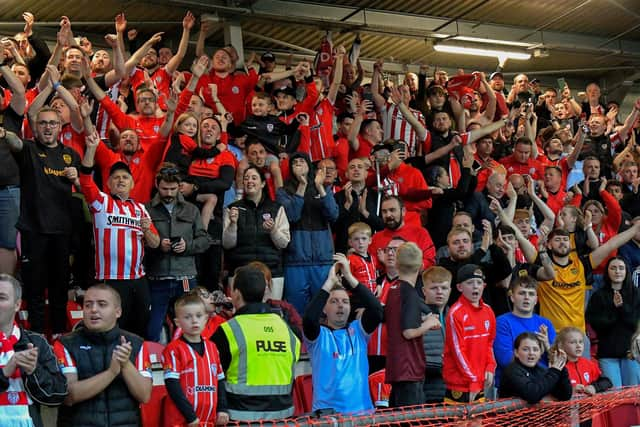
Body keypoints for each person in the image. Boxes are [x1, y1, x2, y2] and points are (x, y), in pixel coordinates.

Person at [2, 108, 80, 334]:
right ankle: (35, 336)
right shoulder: (28, 149)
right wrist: (4, 133)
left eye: (52, 123)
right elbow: (16, 143)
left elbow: (86, 185)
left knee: (59, 289)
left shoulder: (70, 155)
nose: (47, 127)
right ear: (36, 128)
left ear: (60, 127)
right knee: (34, 290)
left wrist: (77, 177)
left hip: (62, 231)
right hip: (33, 230)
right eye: (43, 123)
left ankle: (58, 335)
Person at [79, 131, 160, 337]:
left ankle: (135, 366)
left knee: (140, 326)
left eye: (125, 177)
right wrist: (90, 149)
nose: (121, 180)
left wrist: (146, 230)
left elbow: (155, 243)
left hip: (138, 279)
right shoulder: (102, 203)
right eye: (115, 177)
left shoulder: (141, 209)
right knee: (112, 330)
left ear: (132, 184)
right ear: (108, 183)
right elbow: (86, 181)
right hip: (111, 279)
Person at [54, 284, 153, 426]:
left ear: (118, 312)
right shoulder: (65, 344)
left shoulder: (136, 343)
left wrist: (125, 364)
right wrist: (111, 372)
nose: (93, 310)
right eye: (88, 305)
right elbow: (69, 395)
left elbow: (144, 395)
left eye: (102, 304)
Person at [211, 265, 300, 421]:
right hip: (282, 417)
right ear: (264, 292)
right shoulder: (286, 328)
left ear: (236, 294)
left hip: (239, 416)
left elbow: (210, 373)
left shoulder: (228, 330)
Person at [303, 253, 383, 415]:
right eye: (334, 301)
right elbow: (309, 319)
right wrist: (329, 283)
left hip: (362, 414)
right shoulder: (319, 337)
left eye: (345, 301)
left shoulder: (358, 331)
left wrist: (349, 276)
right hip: (328, 416)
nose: (341, 305)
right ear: (324, 309)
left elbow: (376, 310)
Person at [145, 164, 213, 342]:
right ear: (156, 185)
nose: (168, 193)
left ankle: (190, 359)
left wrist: (187, 246)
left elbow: (205, 240)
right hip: (156, 275)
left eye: (173, 189)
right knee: (153, 326)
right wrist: (158, 245)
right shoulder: (146, 209)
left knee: (190, 324)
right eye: (164, 189)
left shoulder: (191, 210)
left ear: (180, 186)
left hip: (185, 276)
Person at [538, 222, 640, 333]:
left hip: (578, 337)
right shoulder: (542, 266)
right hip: (551, 335)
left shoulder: (582, 265)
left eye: (565, 239)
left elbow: (610, 245)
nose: (562, 242)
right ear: (549, 244)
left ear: (571, 244)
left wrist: (635, 229)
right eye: (557, 240)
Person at [0, 274, 68, 427]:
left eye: (1, 297)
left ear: (17, 305)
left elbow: (58, 395)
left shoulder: (36, 342)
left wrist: (34, 371)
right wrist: (4, 373)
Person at [276, 153, 338, 314]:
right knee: (296, 313)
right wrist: (302, 187)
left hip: (322, 260)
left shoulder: (322, 186)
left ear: (309, 166)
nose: (298, 165)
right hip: (295, 260)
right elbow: (292, 216)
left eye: (302, 161)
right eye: (294, 162)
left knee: (323, 311)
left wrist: (320, 187)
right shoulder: (284, 191)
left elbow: (333, 215)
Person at [385, 242, 441, 407]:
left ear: (396, 264)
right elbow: (408, 332)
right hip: (409, 369)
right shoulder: (409, 292)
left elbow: (398, 321)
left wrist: (422, 321)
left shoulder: (393, 288)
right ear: (421, 265)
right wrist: (428, 323)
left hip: (397, 367)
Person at [223, 166, 290, 300]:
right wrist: (232, 224)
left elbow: (284, 243)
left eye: (254, 178)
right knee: (241, 315)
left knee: (271, 315)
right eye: (246, 178)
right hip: (240, 271)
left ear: (263, 183)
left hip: (271, 272)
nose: (249, 181)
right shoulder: (232, 209)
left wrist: (273, 230)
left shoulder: (276, 208)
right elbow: (227, 244)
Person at [162, 294, 229, 426]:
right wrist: (190, 417)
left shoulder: (213, 348)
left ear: (206, 318)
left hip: (208, 421)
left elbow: (220, 380)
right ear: (177, 322)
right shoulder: (173, 350)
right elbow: (173, 386)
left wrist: (222, 409)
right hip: (182, 421)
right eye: (187, 317)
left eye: (198, 316)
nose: (194, 321)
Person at [443, 264, 496, 403]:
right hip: (459, 385)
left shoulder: (488, 311)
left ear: (484, 286)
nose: (475, 287)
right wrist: (472, 380)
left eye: (479, 283)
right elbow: (457, 351)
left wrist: (490, 367)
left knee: (478, 423)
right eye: (470, 283)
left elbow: (489, 343)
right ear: (460, 287)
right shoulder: (456, 313)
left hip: (480, 383)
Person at [493, 276, 556, 389]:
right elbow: (505, 359)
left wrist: (547, 345)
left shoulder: (546, 324)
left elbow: (557, 362)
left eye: (531, 294)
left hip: (543, 385)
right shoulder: (502, 322)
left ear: (536, 300)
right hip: (513, 386)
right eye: (522, 293)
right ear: (512, 297)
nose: (526, 297)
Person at [586, 257, 640, 387]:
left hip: (631, 353)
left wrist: (621, 307)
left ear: (626, 271)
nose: (617, 271)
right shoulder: (598, 296)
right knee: (613, 396)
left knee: (632, 395)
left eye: (621, 268)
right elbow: (597, 324)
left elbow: (634, 322)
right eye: (613, 268)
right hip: (608, 353)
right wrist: (613, 309)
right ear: (607, 272)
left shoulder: (636, 294)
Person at [498, 332, 572, 404]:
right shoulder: (511, 371)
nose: (531, 353)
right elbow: (532, 394)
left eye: (535, 349)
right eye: (525, 349)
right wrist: (555, 371)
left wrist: (561, 368)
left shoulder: (542, 370)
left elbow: (564, 395)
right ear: (516, 352)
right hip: (513, 416)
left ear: (540, 353)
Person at [369, 195, 436, 271]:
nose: (388, 215)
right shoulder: (376, 238)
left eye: (392, 210)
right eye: (384, 211)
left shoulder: (420, 233)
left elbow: (430, 262)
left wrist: (405, 266)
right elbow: (370, 266)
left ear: (403, 211)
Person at [421, 266, 452, 403]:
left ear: (450, 290)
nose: (439, 292)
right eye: (434, 288)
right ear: (424, 291)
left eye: (444, 288)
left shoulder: (456, 316)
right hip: (425, 389)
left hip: (453, 390)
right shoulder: (415, 316)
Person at [552, 327, 613, 395]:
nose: (578, 346)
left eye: (580, 342)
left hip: (590, 404)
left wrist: (594, 387)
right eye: (572, 342)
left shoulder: (589, 364)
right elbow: (552, 390)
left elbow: (606, 382)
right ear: (561, 346)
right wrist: (570, 390)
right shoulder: (557, 366)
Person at [347, 222, 377, 294]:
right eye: (356, 239)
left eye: (364, 238)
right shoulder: (350, 260)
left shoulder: (374, 259)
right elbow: (346, 281)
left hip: (373, 297)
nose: (360, 242)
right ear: (350, 242)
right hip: (357, 299)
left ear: (370, 240)